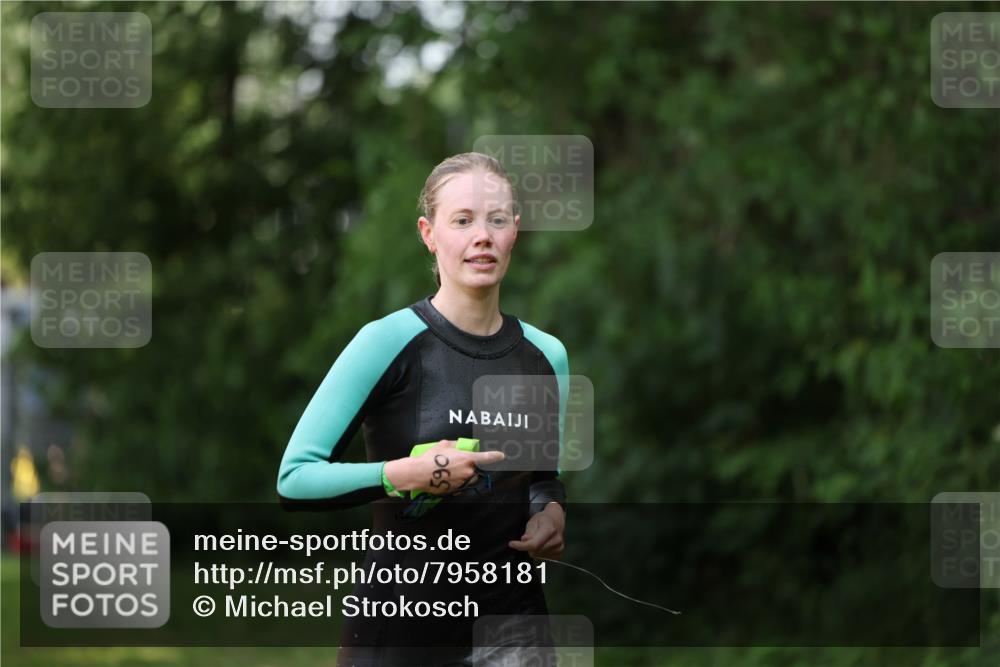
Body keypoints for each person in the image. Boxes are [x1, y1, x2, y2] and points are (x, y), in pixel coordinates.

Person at [277, 152, 569, 666]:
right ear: (429, 233)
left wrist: (551, 513)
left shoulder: (546, 356)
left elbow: (543, 477)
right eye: (462, 220)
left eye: (496, 220)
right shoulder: (385, 342)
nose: (482, 236)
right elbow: (294, 479)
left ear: (514, 232)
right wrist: (404, 475)